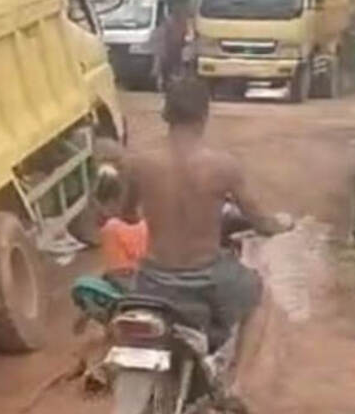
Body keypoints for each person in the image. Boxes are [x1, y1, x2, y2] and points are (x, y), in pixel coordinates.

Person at [117, 78, 289, 347]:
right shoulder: (223, 166)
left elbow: (127, 215)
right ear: (204, 115)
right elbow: (260, 221)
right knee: (259, 299)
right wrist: (281, 225)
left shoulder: (138, 163)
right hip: (207, 277)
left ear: (166, 113)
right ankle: (240, 383)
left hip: (155, 278)